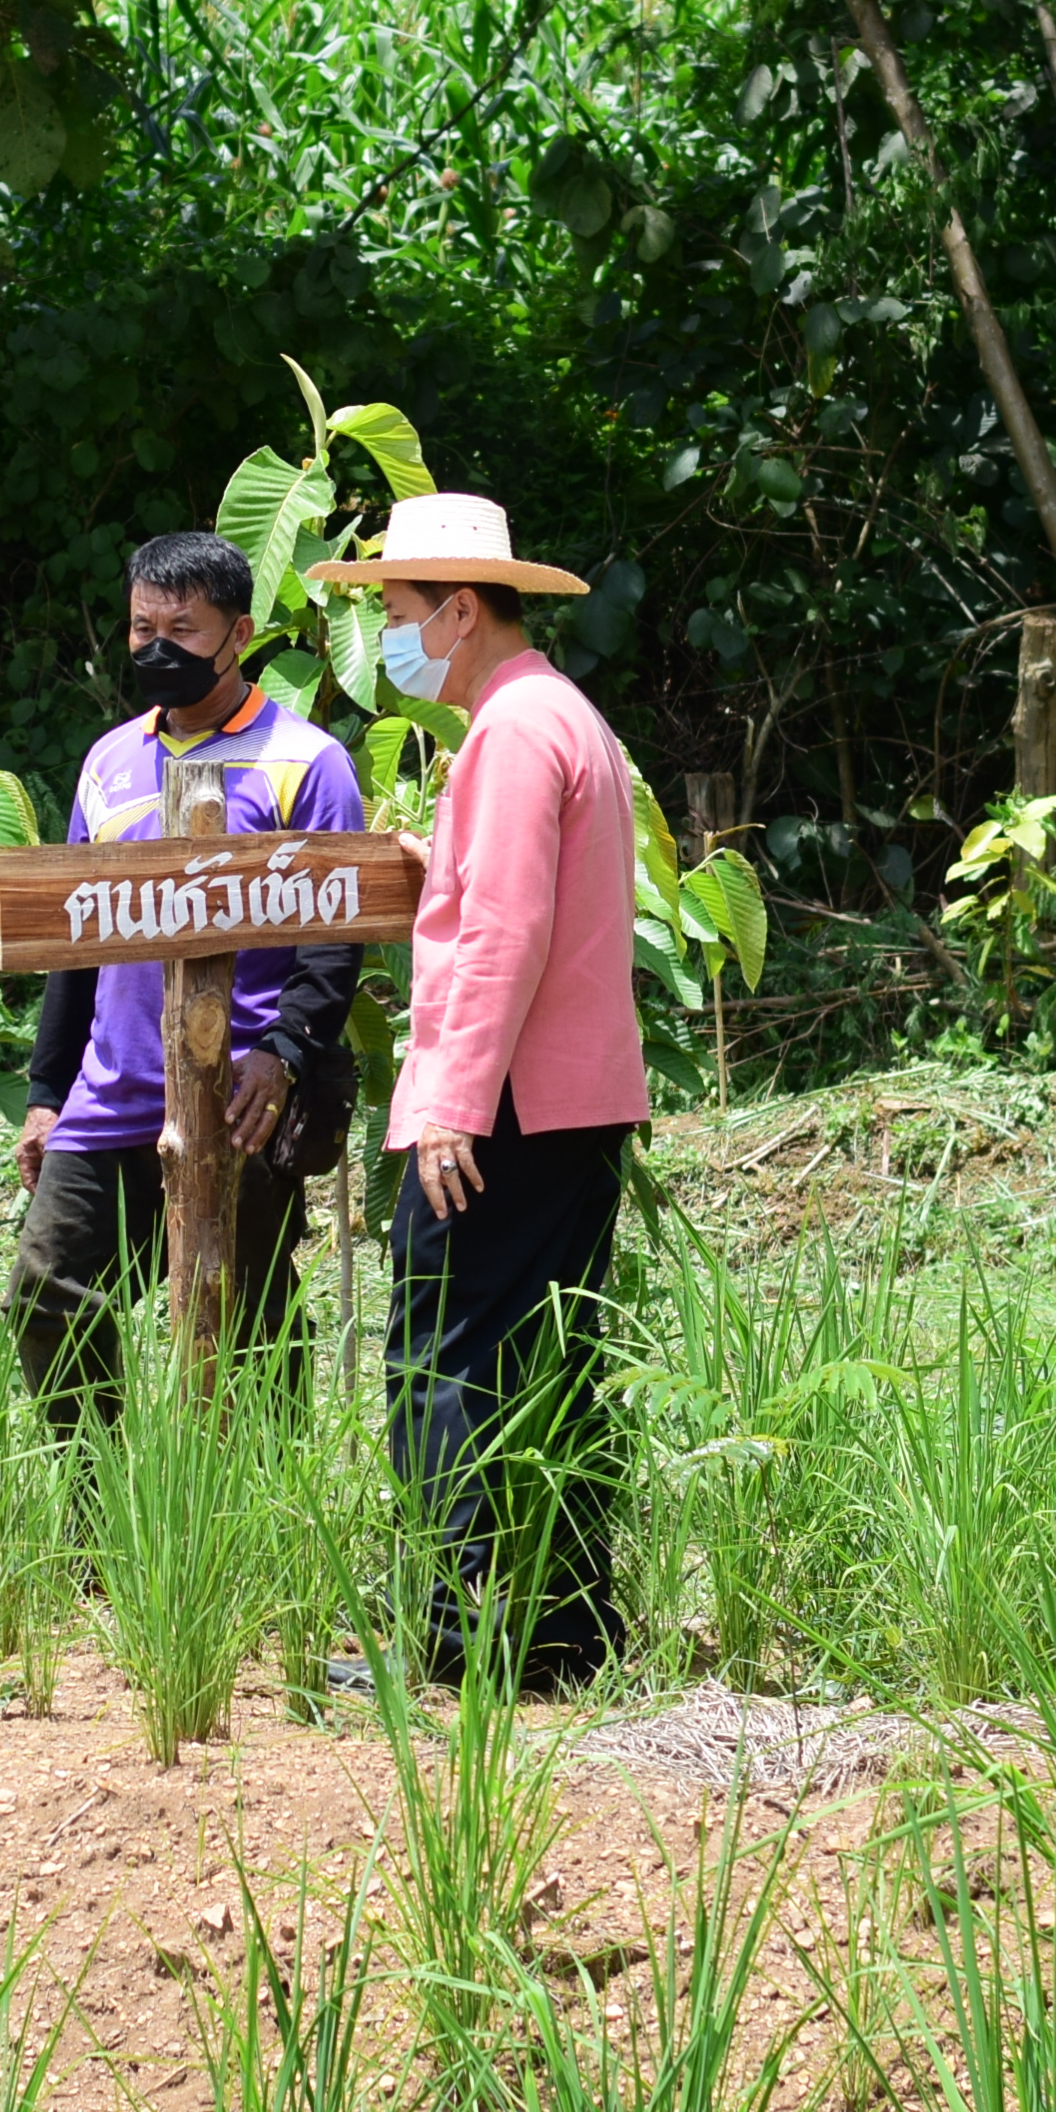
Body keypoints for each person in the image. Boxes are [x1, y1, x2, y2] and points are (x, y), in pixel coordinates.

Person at [307, 492, 644, 1690]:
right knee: (540, 1362)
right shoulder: (560, 717)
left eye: (397, 612)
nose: (389, 638)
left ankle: (454, 1646)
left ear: (458, 611)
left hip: (500, 1106)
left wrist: (447, 1100)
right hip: (569, 1100)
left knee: (439, 1360)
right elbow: (497, 890)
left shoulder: (508, 734)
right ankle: (562, 1637)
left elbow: (503, 930)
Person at [10, 532, 367, 1430]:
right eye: (140, 627)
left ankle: (262, 1522)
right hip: (112, 1094)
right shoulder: (107, 761)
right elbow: (76, 938)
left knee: (247, 1324)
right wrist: (48, 1093)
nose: (157, 646)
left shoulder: (307, 762)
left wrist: (282, 1056)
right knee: (44, 1296)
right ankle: (101, 1522)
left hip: (236, 1101)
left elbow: (335, 940)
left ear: (237, 634)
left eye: (183, 627)